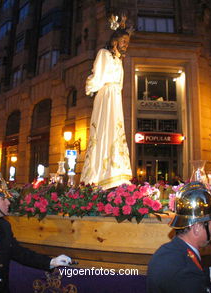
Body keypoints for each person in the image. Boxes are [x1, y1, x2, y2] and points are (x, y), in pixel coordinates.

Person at [147, 182, 211, 293]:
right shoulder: (181, 266)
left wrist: (208, 274)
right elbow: (185, 278)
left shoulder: (172, 250)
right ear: (196, 228)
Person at [80, 14, 132, 190]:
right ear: (115, 41)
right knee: (104, 130)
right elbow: (98, 76)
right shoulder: (104, 54)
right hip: (106, 95)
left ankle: (115, 173)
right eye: (123, 41)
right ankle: (100, 174)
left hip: (115, 97)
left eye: (127, 42)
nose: (125, 44)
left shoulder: (119, 60)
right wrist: (90, 87)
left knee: (115, 132)